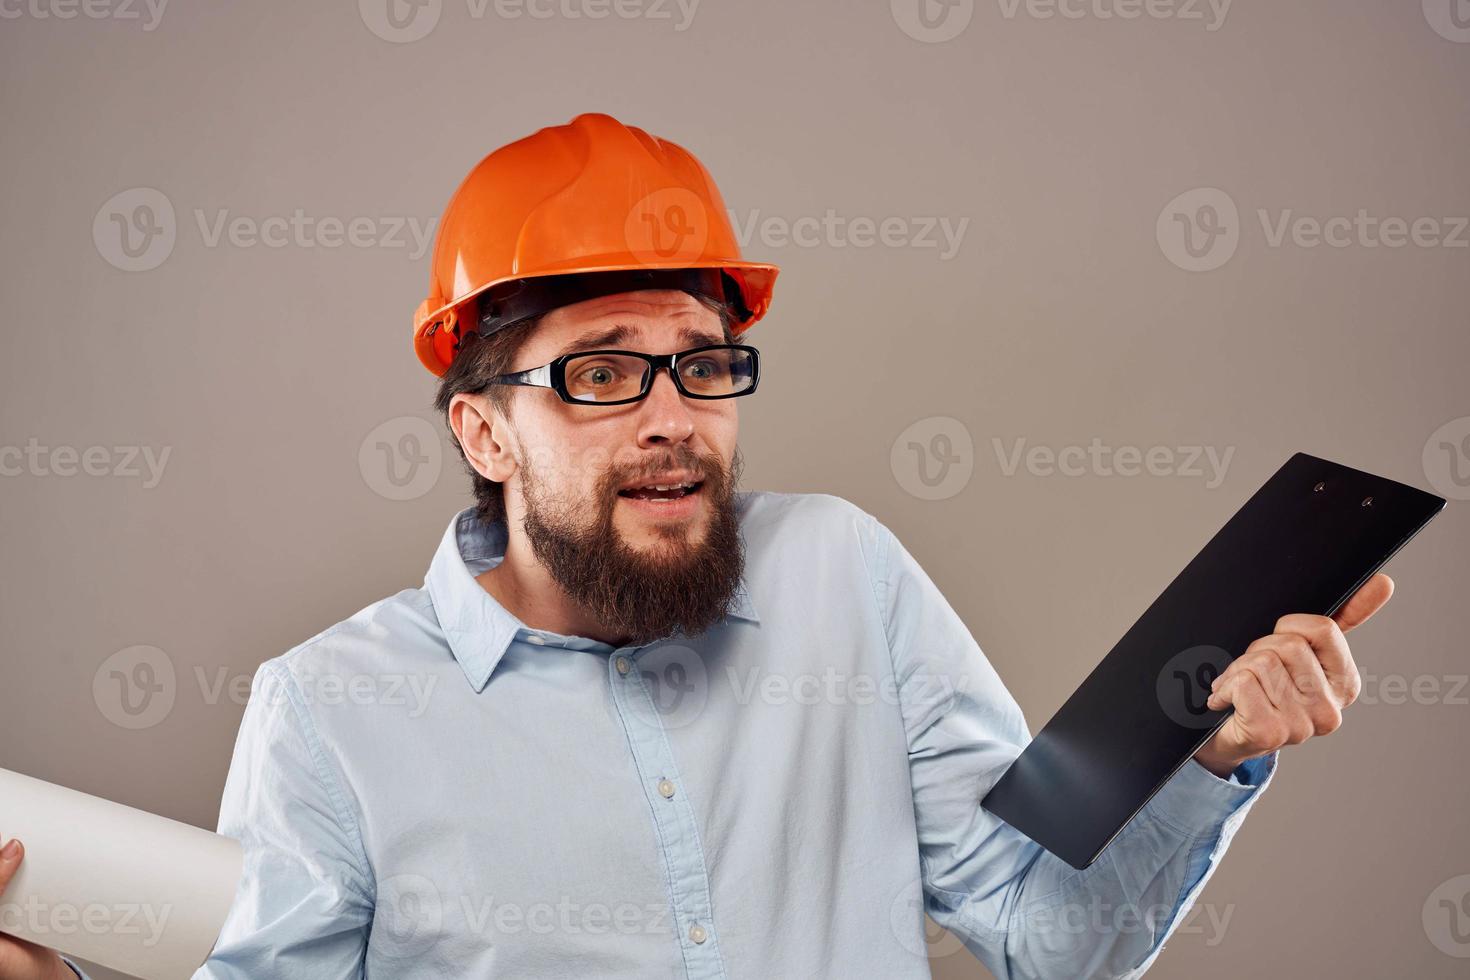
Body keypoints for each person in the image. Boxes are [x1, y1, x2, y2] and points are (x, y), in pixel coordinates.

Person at [0, 112, 1387, 980]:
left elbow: (1043, 944)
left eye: (702, 364)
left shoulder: (846, 578)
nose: (673, 421)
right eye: (601, 374)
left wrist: (1207, 761)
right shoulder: (331, 710)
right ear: (484, 431)